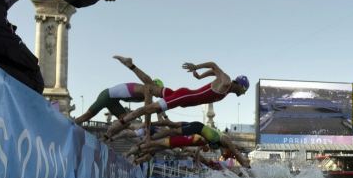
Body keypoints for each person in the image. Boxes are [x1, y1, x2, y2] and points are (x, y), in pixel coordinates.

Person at [106, 60, 249, 137]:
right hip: (183, 97)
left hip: (184, 97)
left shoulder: (226, 86)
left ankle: (131, 65)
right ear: (242, 86)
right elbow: (213, 65)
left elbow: (213, 71)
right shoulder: (227, 82)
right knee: (148, 108)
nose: (243, 94)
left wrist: (199, 76)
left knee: (152, 89)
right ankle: (119, 125)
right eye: (244, 90)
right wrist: (196, 67)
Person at [74, 55, 170, 124]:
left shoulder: (148, 95)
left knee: (125, 122)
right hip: (106, 95)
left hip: (114, 101)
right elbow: (148, 109)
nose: (160, 94)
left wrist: (164, 117)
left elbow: (155, 108)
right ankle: (69, 124)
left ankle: (108, 136)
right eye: (160, 91)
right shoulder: (147, 89)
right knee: (86, 116)